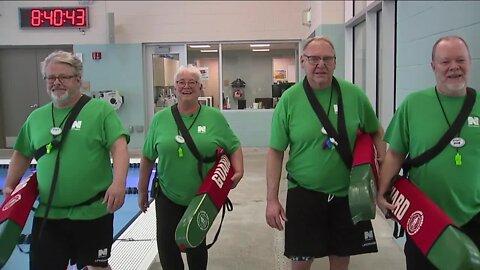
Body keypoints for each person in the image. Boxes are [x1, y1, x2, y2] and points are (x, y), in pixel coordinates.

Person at [265, 36, 386, 270]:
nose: (320, 64)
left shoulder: (354, 95)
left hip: (346, 195)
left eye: (327, 59)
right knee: (300, 261)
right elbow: (275, 151)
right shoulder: (289, 100)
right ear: (303, 61)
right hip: (304, 193)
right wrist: (272, 199)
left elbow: (376, 131)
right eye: (314, 59)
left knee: (340, 259)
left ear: (335, 62)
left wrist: (381, 171)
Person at [2, 50, 130, 270]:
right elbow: (22, 153)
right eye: (51, 77)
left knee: (96, 268)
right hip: (49, 214)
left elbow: (119, 147)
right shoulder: (37, 117)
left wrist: (119, 183)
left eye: (63, 77)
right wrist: (11, 185)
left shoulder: (100, 111)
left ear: (78, 80)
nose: (56, 82)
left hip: (93, 212)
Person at [377, 36, 479, 269]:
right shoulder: (413, 104)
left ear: (470, 63)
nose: (454, 67)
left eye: (460, 60)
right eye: (445, 62)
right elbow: (395, 154)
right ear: (433, 66)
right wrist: (381, 193)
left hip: (475, 217)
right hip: (424, 217)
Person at [137, 64, 244, 270]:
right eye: (181, 82)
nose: (186, 86)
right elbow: (147, 156)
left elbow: (233, 145)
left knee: (195, 246)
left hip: (201, 197)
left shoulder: (214, 117)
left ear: (200, 87)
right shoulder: (160, 119)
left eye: (192, 82)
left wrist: (239, 171)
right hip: (167, 194)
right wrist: (142, 191)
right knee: (167, 247)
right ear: (175, 87)